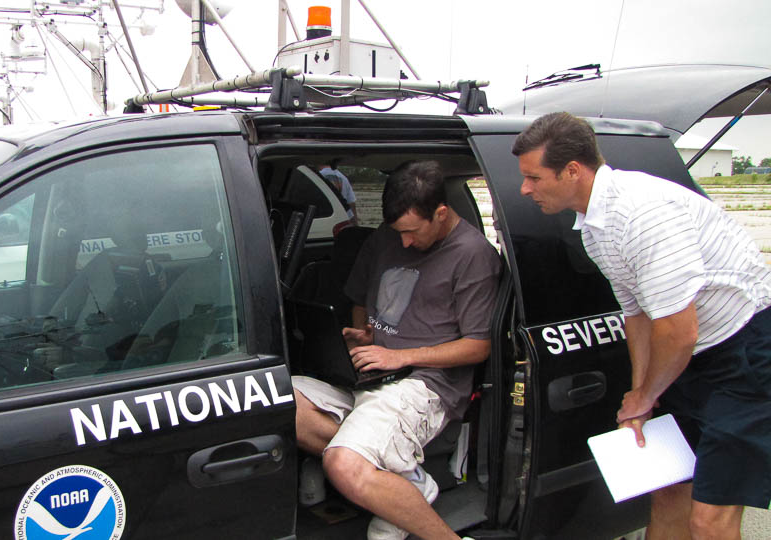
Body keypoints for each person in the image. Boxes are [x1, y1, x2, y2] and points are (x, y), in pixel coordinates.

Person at [512, 112, 771, 540]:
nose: (525, 189)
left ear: (572, 171)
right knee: (668, 488)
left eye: (534, 178)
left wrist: (647, 394)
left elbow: (678, 329)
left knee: (709, 520)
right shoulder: (596, 226)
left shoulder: (642, 215)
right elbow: (637, 315)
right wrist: (639, 397)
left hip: (742, 356)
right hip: (689, 359)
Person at [294, 160, 500, 540]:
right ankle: (406, 480)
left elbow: (479, 346)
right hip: (373, 370)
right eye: (397, 232)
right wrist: (365, 334)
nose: (404, 243)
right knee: (275, 401)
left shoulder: (473, 255)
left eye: (411, 232)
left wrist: (401, 356)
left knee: (344, 464)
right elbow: (360, 298)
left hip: (426, 383)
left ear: (440, 213)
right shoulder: (385, 238)